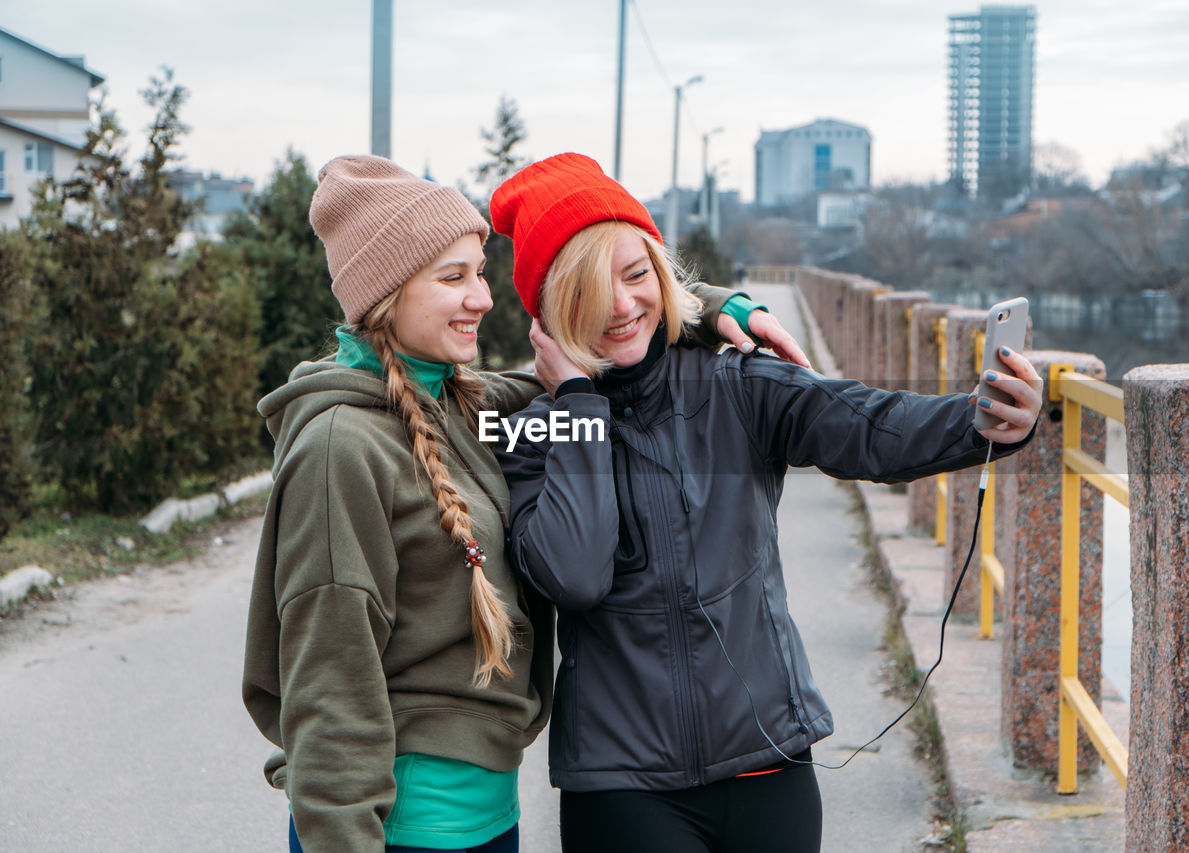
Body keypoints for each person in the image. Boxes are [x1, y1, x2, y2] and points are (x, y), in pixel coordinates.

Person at [240, 154, 809, 853]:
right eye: (453, 278)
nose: (481, 297)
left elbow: (596, 344)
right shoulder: (340, 446)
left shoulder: (463, 406)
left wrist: (713, 306)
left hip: (488, 820)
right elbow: (329, 688)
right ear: (384, 295)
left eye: (479, 272)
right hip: (402, 829)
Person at [488, 152, 1043, 853]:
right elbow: (575, 572)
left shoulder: (736, 383)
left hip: (767, 760)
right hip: (621, 784)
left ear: (659, 273)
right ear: (550, 314)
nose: (624, 306)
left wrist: (983, 421)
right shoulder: (535, 432)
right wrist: (578, 408)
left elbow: (866, 425)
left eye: (636, 276)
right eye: (591, 293)